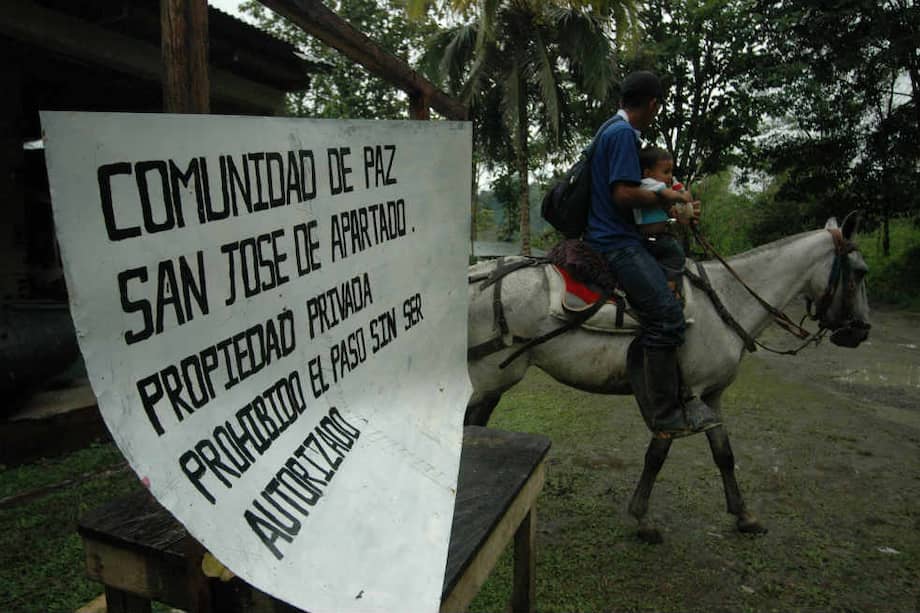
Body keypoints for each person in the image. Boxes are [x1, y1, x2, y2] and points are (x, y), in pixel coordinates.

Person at [582, 70, 718, 437]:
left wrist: (672, 214)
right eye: (658, 107)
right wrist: (667, 195)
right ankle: (664, 413)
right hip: (615, 242)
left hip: (623, 235)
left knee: (675, 265)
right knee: (667, 318)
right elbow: (623, 195)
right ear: (653, 104)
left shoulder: (610, 127)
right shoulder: (624, 134)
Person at [635, 146, 694, 297]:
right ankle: (670, 284)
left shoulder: (648, 187)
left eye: (671, 172)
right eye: (666, 172)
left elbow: (665, 205)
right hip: (656, 238)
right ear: (648, 173)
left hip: (649, 238)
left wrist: (672, 210)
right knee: (676, 254)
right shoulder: (650, 183)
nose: (669, 177)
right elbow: (667, 193)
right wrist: (682, 197)